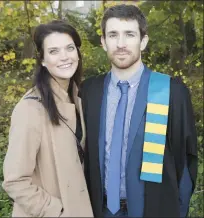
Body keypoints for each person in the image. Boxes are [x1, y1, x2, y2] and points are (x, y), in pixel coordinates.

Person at [80, 4, 197, 218]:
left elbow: (186, 160)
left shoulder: (171, 91)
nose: (121, 44)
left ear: (143, 41)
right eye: (113, 35)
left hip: (153, 209)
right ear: (103, 42)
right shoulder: (89, 92)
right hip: (99, 209)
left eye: (130, 34)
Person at [2, 20, 93, 217]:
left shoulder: (79, 98)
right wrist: (56, 211)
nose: (64, 57)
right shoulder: (30, 108)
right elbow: (14, 180)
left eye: (70, 48)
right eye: (54, 51)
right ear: (42, 60)